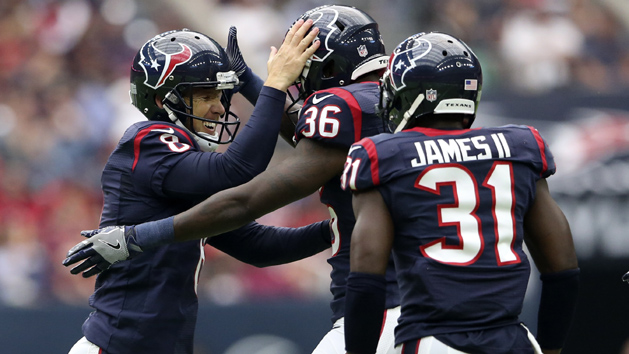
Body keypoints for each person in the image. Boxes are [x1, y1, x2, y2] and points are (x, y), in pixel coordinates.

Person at [64, 5, 400, 354]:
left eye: (220, 95)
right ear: (166, 99)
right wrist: (271, 85)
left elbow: (260, 247)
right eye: (205, 95)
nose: (219, 108)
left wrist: (343, 226)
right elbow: (237, 172)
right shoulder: (146, 141)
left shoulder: (182, 166)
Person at [341, 32, 580, 354]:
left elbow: (366, 277)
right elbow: (562, 269)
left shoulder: (382, 154)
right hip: (513, 340)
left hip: (433, 339)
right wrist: (551, 349)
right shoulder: (521, 146)